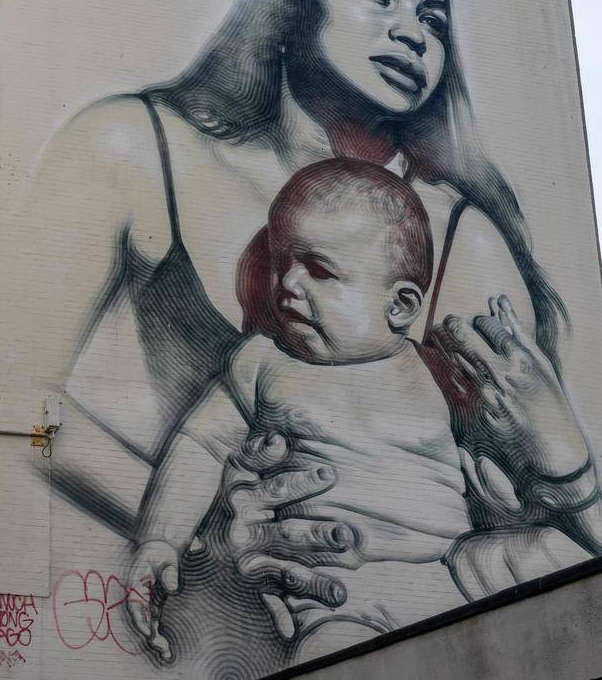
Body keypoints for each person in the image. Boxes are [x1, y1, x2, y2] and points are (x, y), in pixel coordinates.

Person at [28, 0, 595, 665]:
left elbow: (531, 505)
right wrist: (188, 531)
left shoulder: (461, 236)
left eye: (433, 19)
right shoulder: (132, 146)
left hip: (447, 599)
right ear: (287, 6)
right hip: (239, 634)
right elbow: (10, 418)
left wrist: (556, 468)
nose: (411, 33)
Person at [132, 159, 470, 662]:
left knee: (542, 553)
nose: (287, 282)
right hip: (338, 590)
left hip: (458, 570)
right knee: (332, 652)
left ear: (399, 306)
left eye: (318, 268)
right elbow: (200, 446)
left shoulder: (438, 372)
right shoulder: (265, 362)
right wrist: (160, 540)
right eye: (283, 260)